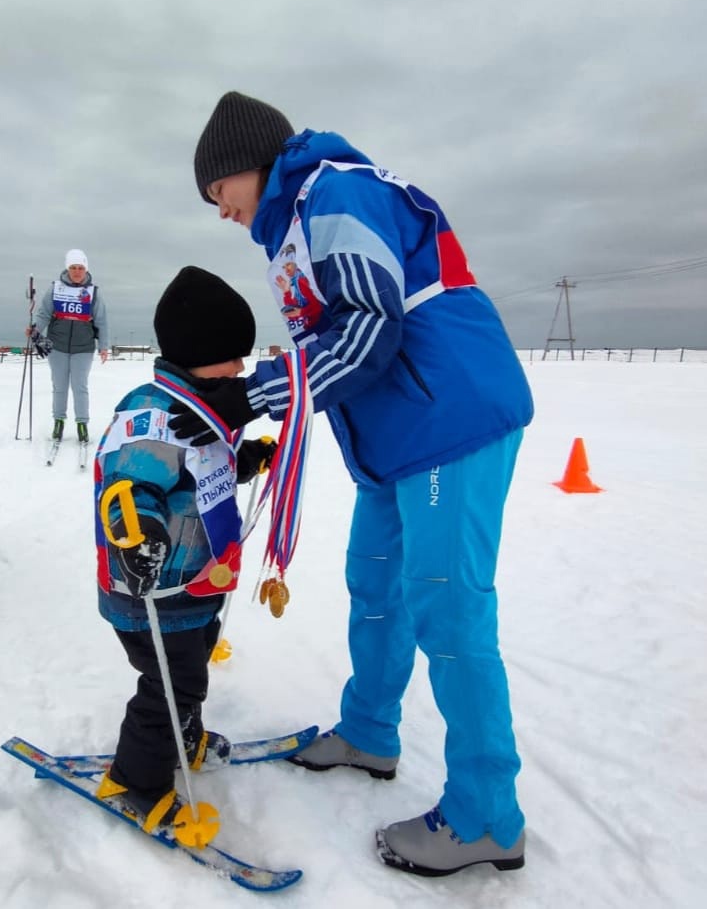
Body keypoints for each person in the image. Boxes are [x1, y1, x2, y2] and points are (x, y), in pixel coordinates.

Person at [178, 91, 534, 875]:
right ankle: (369, 730)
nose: (220, 210)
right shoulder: (295, 224)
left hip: (447, 422)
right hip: (395, 438)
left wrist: (259, 392)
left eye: (218, 190)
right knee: (373, 582)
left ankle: (486, 815)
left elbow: (371, 330)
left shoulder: (335, 194)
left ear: (248, 162)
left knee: (448, 609)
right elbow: (335, 335)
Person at [93, 266, 276, 831]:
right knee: (171, 686)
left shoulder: (200, 408)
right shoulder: (153, 415)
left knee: (192, 665)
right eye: (232, 357)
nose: (241, 369)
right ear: (200, 352)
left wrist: (244, 461)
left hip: (194, 584)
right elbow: (130, 486)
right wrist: (140, 537)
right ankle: (136, 780)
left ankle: (181, 735)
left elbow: (197, 470)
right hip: (151, 586)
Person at [30, 248, 109, 444]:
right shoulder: (55, 288)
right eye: (73, 267)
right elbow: (44, 313)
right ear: (67, 268)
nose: (77, 271)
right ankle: (59, 421)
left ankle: (82, 424)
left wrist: (103, 346)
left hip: (83, 347)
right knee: (59, 386)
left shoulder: (93, 292)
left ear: (86, 269)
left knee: (80, 386)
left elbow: (101, 321)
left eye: (80, 268)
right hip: (57, 346)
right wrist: (35, 330)